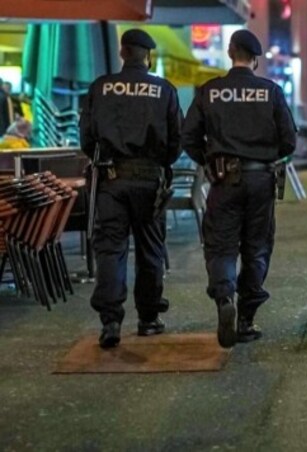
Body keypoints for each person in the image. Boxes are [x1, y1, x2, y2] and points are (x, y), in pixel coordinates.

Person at [182, 29, 296, 349]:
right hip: (261, 180)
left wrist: (209, 161)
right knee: (257, 247)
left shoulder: (210, 91)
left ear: (230, 53)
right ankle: (246, 318)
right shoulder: (270, 91)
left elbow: (188, 137)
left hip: (223, 181)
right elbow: (289, 140)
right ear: (256, 60)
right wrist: (266, 157)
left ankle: (223, 298)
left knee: (220, 246)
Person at [79, 29, 182, 349]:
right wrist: (161, 164)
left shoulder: (100, 87)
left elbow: (86, 137)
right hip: (149, 180)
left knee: (110, 249)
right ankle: (149, 318)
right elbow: (176, 140)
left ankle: (111, 320)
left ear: (123, 53)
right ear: (147, 56)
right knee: (150, 248)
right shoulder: (163, 90)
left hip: (111, 179)